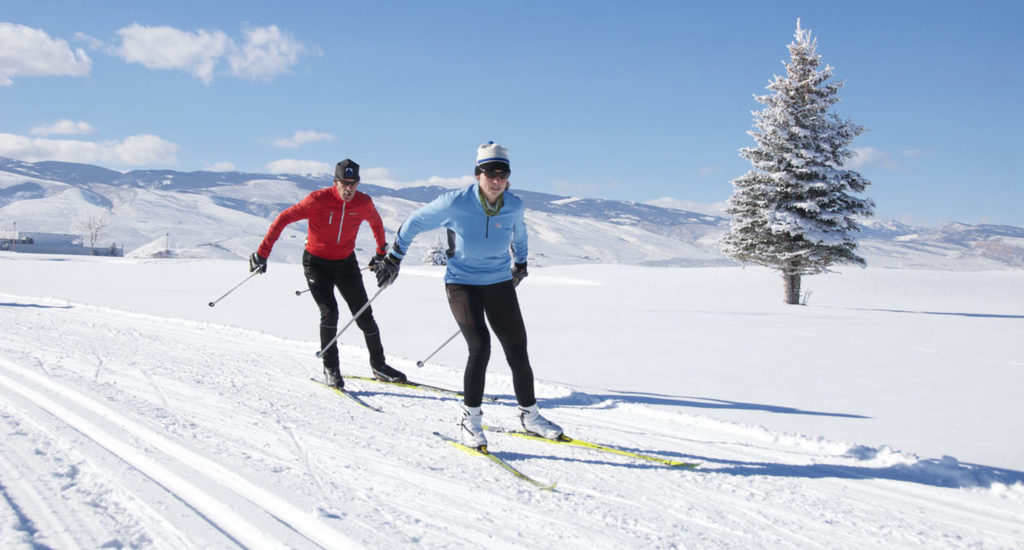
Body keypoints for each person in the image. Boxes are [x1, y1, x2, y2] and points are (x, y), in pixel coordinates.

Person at [374, 141, 562, 448]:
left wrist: (521, 264)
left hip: (499, 282)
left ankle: (530, 416)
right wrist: (394, 257)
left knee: (517, 348)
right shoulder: (455, 203)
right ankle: (470, 421)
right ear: (478, 174)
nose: (497, 180)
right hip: (462, 284)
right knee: (480, 346)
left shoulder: (513, 205)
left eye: (503, 174)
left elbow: (520, 234)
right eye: (490, 173)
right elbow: (414, 222)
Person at [249, 159, 406, 389]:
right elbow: (284, 218)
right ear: (336, 182)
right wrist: (262, 253)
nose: (349, 189)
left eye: (353, 183)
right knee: (330, 312)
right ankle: (331, 367)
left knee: (364, 314)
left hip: (346, 264)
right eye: (344, 183)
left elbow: (376, 223)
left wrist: (381, 252)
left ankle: (379, 365)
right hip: (316, 264)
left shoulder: (363, 202)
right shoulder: (317, 200)